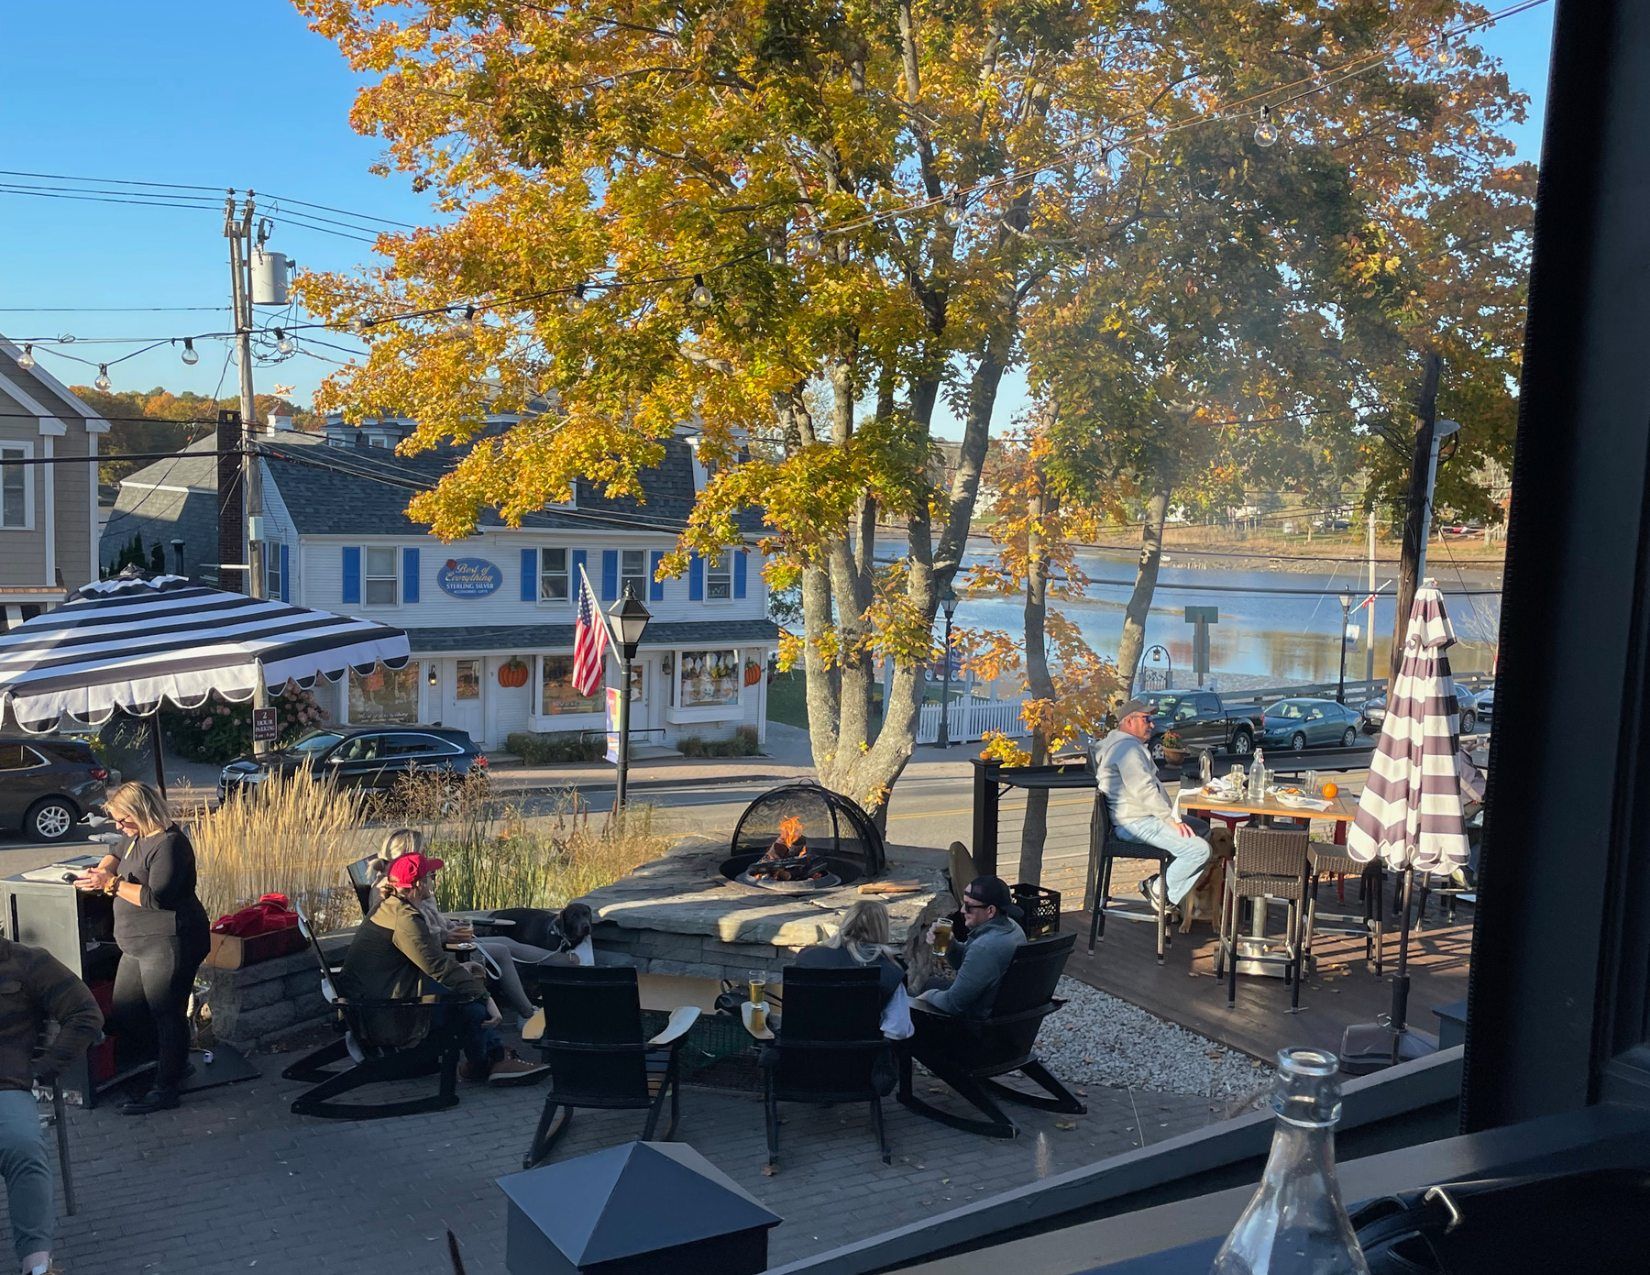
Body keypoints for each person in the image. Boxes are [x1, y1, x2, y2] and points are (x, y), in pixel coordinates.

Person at [339, 851, 546, 1084]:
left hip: (379, 1000)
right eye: (430, 876)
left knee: (464, 988)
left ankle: (485, 1062)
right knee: (470, 1005)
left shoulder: (392, 907)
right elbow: (437, 967)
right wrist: (486, 998)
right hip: (387, 1014)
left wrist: (464, 970)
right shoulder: (405, 919)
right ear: (418, 884)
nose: (433, 881)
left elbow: (428, 961)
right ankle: (491, 1061)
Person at [74, 781, 211, 1115]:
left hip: (170, 939)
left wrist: (113, 884)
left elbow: (156, 898)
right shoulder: (135, 835)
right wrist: (102, 871)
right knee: (127, 1009)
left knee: (166, 1012)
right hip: (135, 943)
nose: (119, 827)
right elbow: (115, 853)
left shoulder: (170, 844)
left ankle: (167, 1087)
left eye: (124, 819)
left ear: (142, 812)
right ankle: (162, 1065)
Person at [367, 829, 584, 1022]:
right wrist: (449, 936)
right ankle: (527, 1012)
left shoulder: (403, 893)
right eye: (422, 853)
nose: (431, 873)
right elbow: (424, 946)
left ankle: (557, 971)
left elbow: (425, 930)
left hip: (437, 952)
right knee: (501, 950)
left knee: (504, 944)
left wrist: (451, 927)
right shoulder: (397, 901)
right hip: (435, 960)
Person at [0, 929, 102, 1275]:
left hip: (5, 1088)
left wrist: (43, 1069)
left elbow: (86, 1014)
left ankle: (37, 1267)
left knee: (22, 1147)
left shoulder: (28, 962)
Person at [1093, 698, 1215, 922]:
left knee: (1201, 828)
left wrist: (1174, 818)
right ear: (1129, 721)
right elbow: (1145, 790)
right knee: (1200, 851)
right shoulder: (1127, 749)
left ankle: (1168, 898)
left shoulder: (1120, 746)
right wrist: (1171, 819)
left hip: (1135, 818)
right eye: (1146, 719)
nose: (1152, 724)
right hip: (1137, 822)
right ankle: (1158, 889)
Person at [795, 899, 913, 1039]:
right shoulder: (890, 971)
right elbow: (899, 1029)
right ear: (882, 929)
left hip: (806, 1052)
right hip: (863, 1056)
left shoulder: (807, 958)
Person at [916, 876, 1025, 1019]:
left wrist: (923, 998)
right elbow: (972, 964)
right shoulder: (1013, 928)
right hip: (1001, 1011)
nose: (962, 910)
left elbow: (952, 1004)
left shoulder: (985, 947)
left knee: (918, 998)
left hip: (976, 1022)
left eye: (968, 906)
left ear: (990, 911)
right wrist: (951, 946)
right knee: (931, 983)